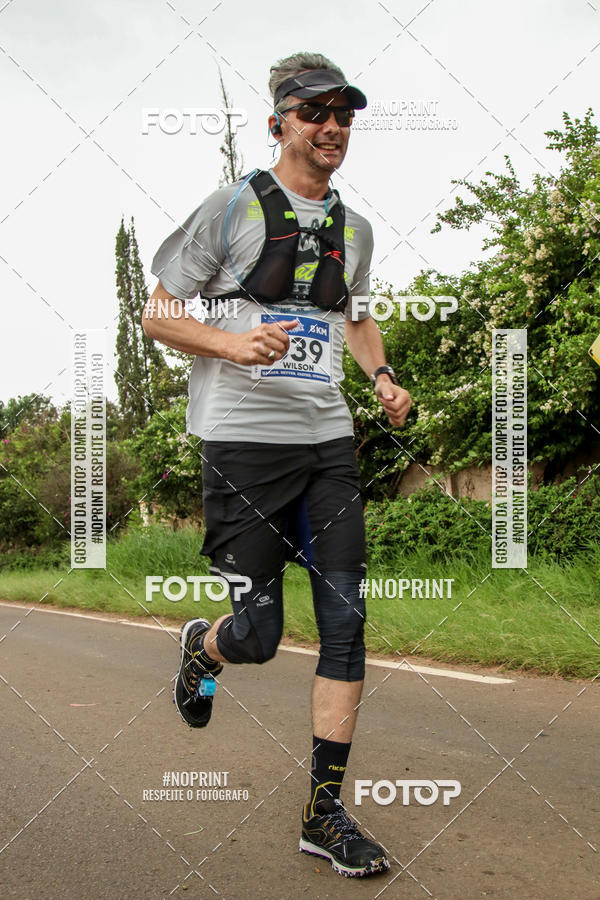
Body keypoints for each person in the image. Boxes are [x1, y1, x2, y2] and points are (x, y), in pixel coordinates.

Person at [143, 51, 412, 879]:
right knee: (260, 636)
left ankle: (323, 817)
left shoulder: (355, 229)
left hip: (326, 442)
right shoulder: (229, 210)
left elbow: (357, 318)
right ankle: (206, 648)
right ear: (281, 122)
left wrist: (383, 377)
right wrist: (231, 341)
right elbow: (156, 313)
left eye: (345, 114)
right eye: (314, 111)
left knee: (346, 625)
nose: (332, 127)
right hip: (243, 444)